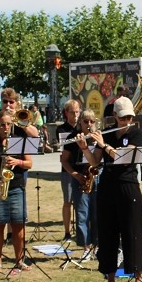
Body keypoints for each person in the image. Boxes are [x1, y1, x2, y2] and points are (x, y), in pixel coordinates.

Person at [83, 97, 142, 282]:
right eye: (122, 117)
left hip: (128, 185)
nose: (126, 120)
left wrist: (103, 145)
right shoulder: (106, 134)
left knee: (133, 232)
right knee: (107, 233)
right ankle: (110, 279)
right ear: (115, 116)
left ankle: (138, 279)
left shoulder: (137, 133)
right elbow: (95, 162)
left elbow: (124, 157)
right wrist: (85, 148)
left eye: (129, 117)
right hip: (107, 186)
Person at [0, 110, 34, 275]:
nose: (5, 127)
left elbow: (29, 164)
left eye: (9, 124)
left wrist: (17, 161)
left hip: (16, 186)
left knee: (18, 224)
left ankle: (19, 260)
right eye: (2, 124)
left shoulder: (18, 140)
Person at [62, 109, 101, 249]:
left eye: (92, 121)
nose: (89, 124)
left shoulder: (98, 137)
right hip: (80, 178)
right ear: (80, 122)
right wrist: (74, 174)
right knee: (82, 213)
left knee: (97, 213)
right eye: (86, 121)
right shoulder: (73, 137)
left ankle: (97, 245)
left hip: (96, 176)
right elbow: (64, 160)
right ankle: (85, 246)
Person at [56, 99, 82, 241]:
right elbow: (63, 149)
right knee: (68, 201)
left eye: (77, 112)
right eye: (72, 112)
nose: (76, 115)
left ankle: (80, 229)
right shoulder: (62, 129)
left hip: (81, 167)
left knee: (81, 202)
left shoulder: (82, 127)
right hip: (67, 169)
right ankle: (67, 232)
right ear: (67, 113)